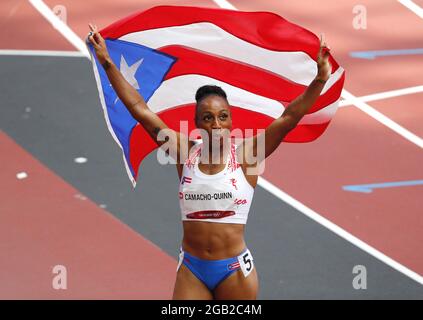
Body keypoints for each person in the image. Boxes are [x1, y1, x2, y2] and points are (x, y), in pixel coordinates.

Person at [87, 23, 331, 300]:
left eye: (223, 116)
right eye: (207, 117)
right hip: (192, 269)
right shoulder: (183, 152)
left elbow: (289, 118)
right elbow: (140, 110)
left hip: (234, 271)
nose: (216, 124)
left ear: (230, 121)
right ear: (196, 124)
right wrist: (107, 62)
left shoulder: (247, 156)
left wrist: (320, 80)